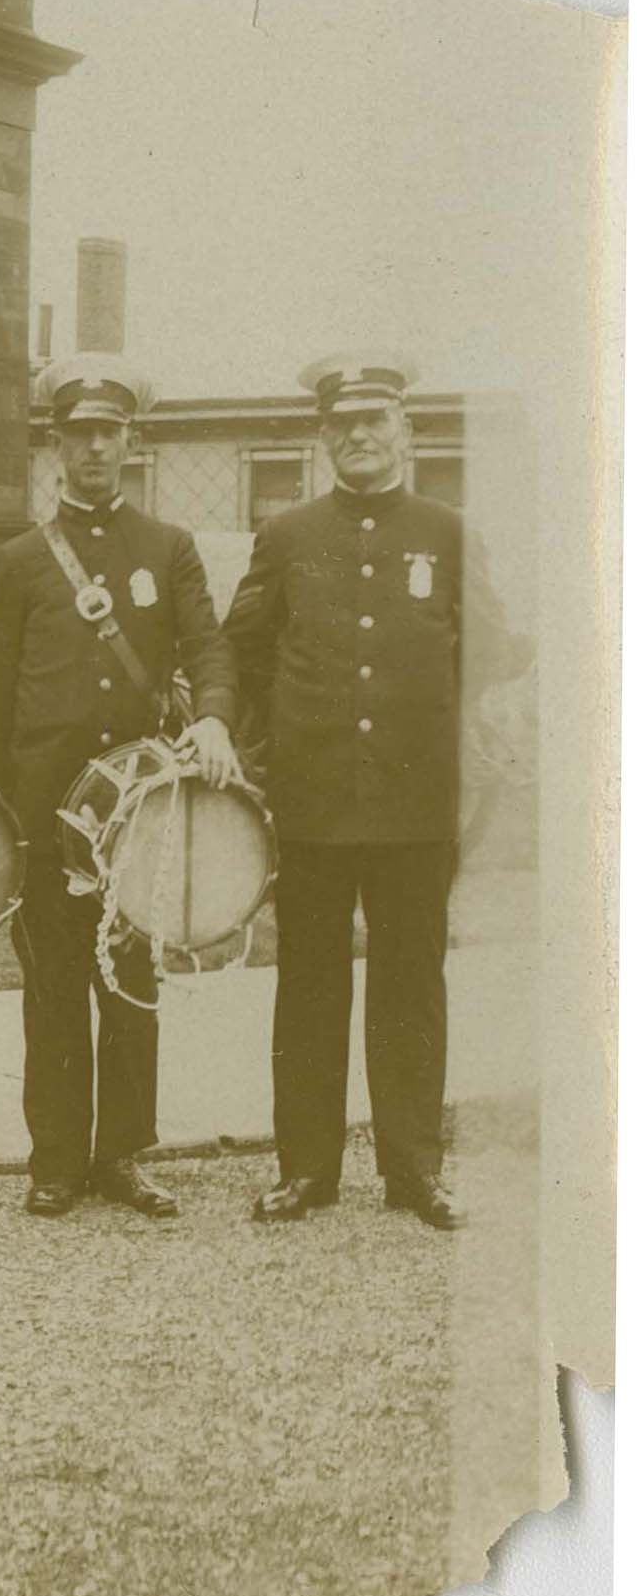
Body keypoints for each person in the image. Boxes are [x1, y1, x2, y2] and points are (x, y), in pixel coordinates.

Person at [225, 348, 478, 1226]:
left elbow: (498, 645)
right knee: (310, 985)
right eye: (343, 425)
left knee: (413, 981)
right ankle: (307, 1170)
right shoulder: (289, 535)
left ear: (406, 431)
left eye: (375, 421)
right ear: (323, 437)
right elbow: (243, 645)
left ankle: (413, 1170)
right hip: (316, 802)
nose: (359, 437)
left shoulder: (448, 532)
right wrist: (265, 740)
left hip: (415, 804)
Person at [0, 362, 221, 1218]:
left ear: (130, 441)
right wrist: (7, 812)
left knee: (130, 985)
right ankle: (54, 1162)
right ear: (56, 444)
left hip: (136, 814)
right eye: (77, 432)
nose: (93, 447)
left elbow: (208, 649)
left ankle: (120, 1155)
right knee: (51, 989)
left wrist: (217, 720)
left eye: (107, 433)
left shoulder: (168, 548)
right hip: (47, 812)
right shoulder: (16, 561)